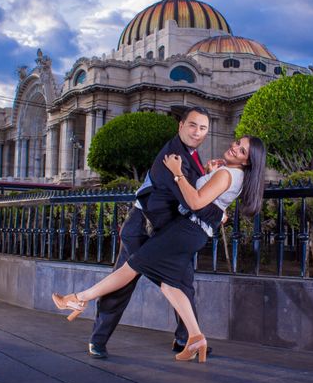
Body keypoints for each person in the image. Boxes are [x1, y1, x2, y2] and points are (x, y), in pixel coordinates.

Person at [52, 135, 266, 363]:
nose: (234, 148)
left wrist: (177, 172)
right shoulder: (235, 175)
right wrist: (209, 179)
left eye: (242, 151)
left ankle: (77, 299)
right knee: (170, 285)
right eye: (236, 143)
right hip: (190, 232)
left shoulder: (226, 173)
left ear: (248, 161)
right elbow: (208, 201)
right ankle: (195, 338)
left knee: (130, 268)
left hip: (184, 231)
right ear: (182, 127)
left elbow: (194, 202)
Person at [85, 106, 221, 359]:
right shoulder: (173, 156)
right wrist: (218, 215)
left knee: (183, 284)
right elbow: (193, 200)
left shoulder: (189, 155)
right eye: (192, 125)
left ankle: (185, 340)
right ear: (181, 125)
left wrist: (209, 174)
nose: (197, 132)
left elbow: (192, 189)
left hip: (166, 231)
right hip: (142, 228)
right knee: (122, 284)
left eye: (203, 128)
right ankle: (98, 339)